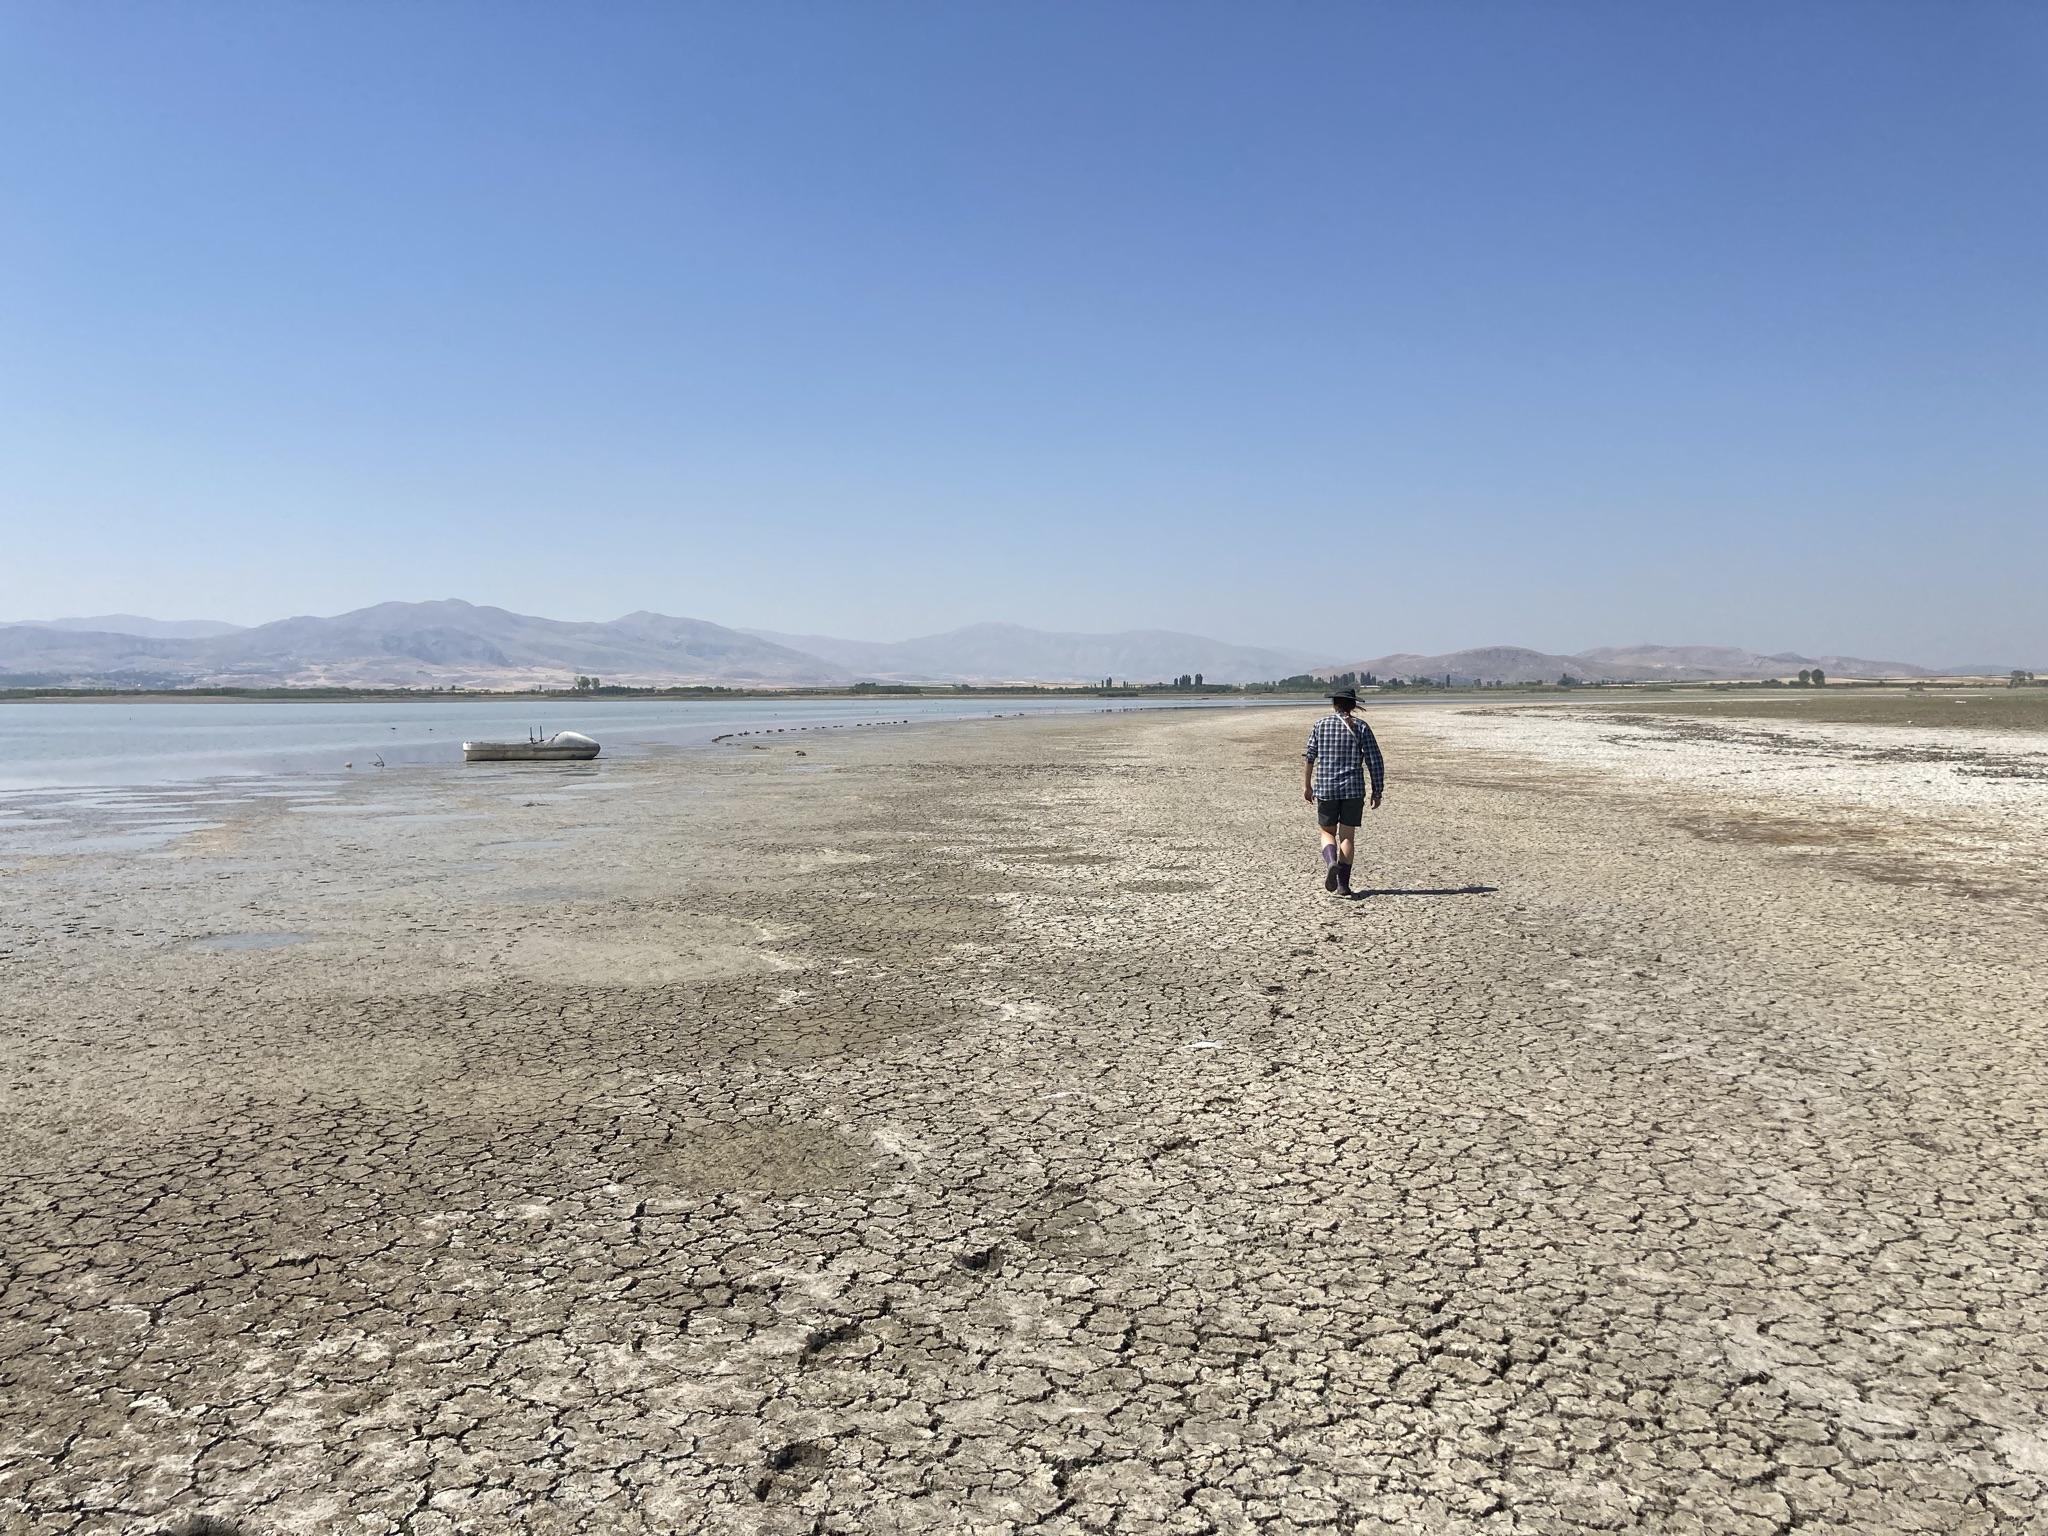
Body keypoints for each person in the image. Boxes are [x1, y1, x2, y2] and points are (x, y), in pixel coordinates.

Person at [1302, 688, 1384, 896]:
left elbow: (1310, 757)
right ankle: (1343, 885)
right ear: (1353, 705)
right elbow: (1375, 761)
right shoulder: (1362, 727)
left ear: (1334, 704)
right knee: (1347, 837)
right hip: (1353, 789)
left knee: (1327, 832)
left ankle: (1331, 862)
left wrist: (1307, 785)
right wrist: (1377, 790)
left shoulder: (1320, 725)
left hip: (1326, 787)